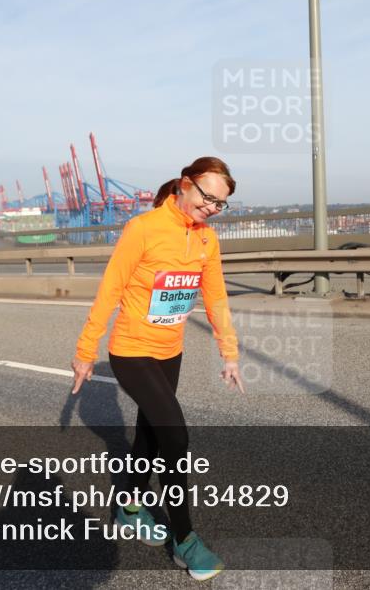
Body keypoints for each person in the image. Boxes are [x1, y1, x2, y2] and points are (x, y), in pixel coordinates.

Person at [72, 156, 244, 582]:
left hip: (171, 351)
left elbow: (216, 298)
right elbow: (110, 289)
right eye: (207, 197)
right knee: (174, 433)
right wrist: (85, 349)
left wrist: (230, 352)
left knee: (149, 435)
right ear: (185, 185)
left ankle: (129, 507)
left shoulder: (207, 239)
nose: (211, 207)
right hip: (131, 352)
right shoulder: (144, 229)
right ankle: (185, 540)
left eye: (220, 204)